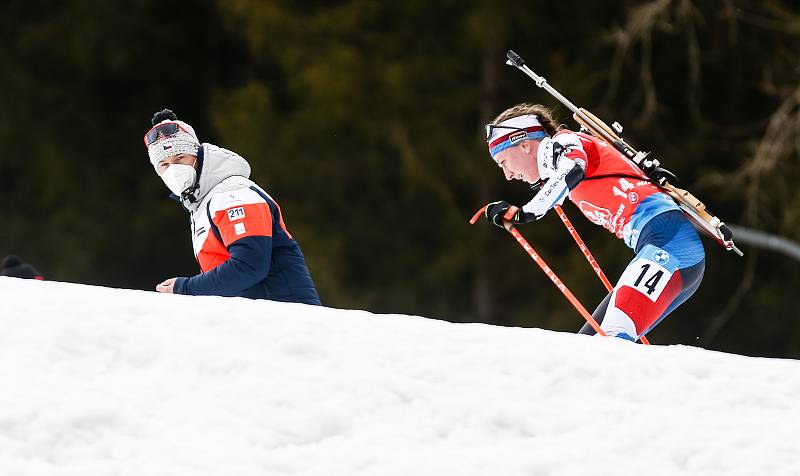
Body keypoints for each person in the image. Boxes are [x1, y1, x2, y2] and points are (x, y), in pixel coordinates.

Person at [484, 103, 704, 341]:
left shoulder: (565, 142)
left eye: (503, 162)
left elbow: (573, 168)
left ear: (525, 145)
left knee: (610, 341)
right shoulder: (559, 164)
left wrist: (525, 212)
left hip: (672, 247)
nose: (507, 175)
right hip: (668, 254)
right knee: (587, 348)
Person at [144, 109, 321, 305]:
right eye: (164, 165)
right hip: (260, 321)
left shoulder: (232, 193)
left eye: (180, 159)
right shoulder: (201, 204)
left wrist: (185, 288)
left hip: (287, 320)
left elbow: (250, 266)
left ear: (197, 155)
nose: (174, 170)